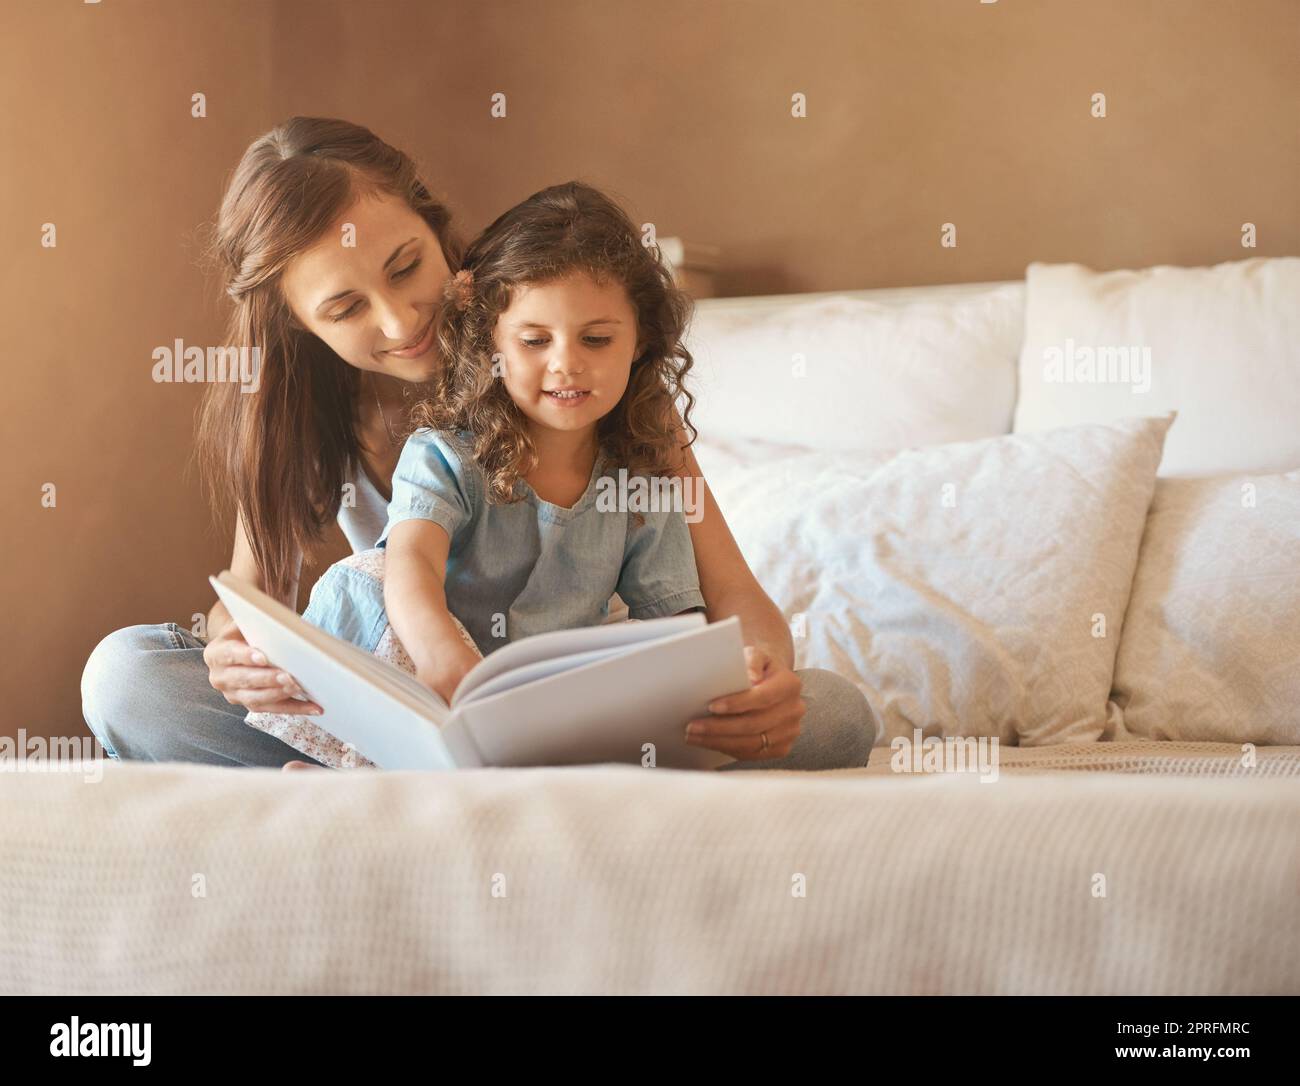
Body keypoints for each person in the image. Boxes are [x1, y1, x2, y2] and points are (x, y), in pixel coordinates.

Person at [79, 117, 875, 772]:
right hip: (403, 707)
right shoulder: (302, 415)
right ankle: (399, 770)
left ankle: (426, 777)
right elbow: (246, 601)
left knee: (835, 714)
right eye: (346, 306)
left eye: (405, 265)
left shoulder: (580, 379)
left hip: (560, 694)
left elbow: (733, 592)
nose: (399, 320)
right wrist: (231, 651)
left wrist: (761, 676)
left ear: (437, 227)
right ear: (297, 322)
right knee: (129, 677)